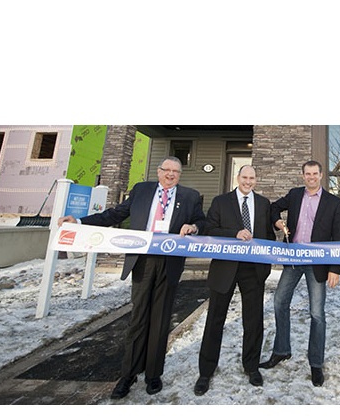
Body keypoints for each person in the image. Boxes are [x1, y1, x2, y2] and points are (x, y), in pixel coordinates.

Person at [57, 156, 204, 400]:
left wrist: (193, 227)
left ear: (180, 175)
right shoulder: (142, 190)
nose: (170, 175)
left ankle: (154, 374)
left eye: (175, 172)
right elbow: (115, 214)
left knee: (161, 319)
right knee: (138, 318)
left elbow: (202, 221)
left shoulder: (190, 196)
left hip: (170, 262)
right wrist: (80, 222)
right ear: (158, 172)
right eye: (166, 170)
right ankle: (128, 374)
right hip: (142, 261)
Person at [260, 160, 340, 387]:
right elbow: (273, 207)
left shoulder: (334, 202)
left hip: (317, 263)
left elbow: (338, 236)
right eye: (307, 174)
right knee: (279, 302)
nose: (311, 177)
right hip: (293, 260)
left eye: (315, 174)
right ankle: (282, 350)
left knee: (317, 313)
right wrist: (278, 221)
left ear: (321, 175)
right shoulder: (295, 195)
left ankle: (316, 363)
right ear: (303, 176)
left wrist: (335, 268)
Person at [193, 165, 275, 396]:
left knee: (253, 321)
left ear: (256, 180)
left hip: (253, 270)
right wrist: (234, 233)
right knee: (215, 320)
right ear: (237, 178)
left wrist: (265, 267)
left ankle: (251, 367)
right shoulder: (221, 201)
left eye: (252, 178)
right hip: (225, 268)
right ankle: (205, 372)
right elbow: (210, 229)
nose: (248, 181)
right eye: (245, 177)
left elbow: (268, 236)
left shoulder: (263, 204)